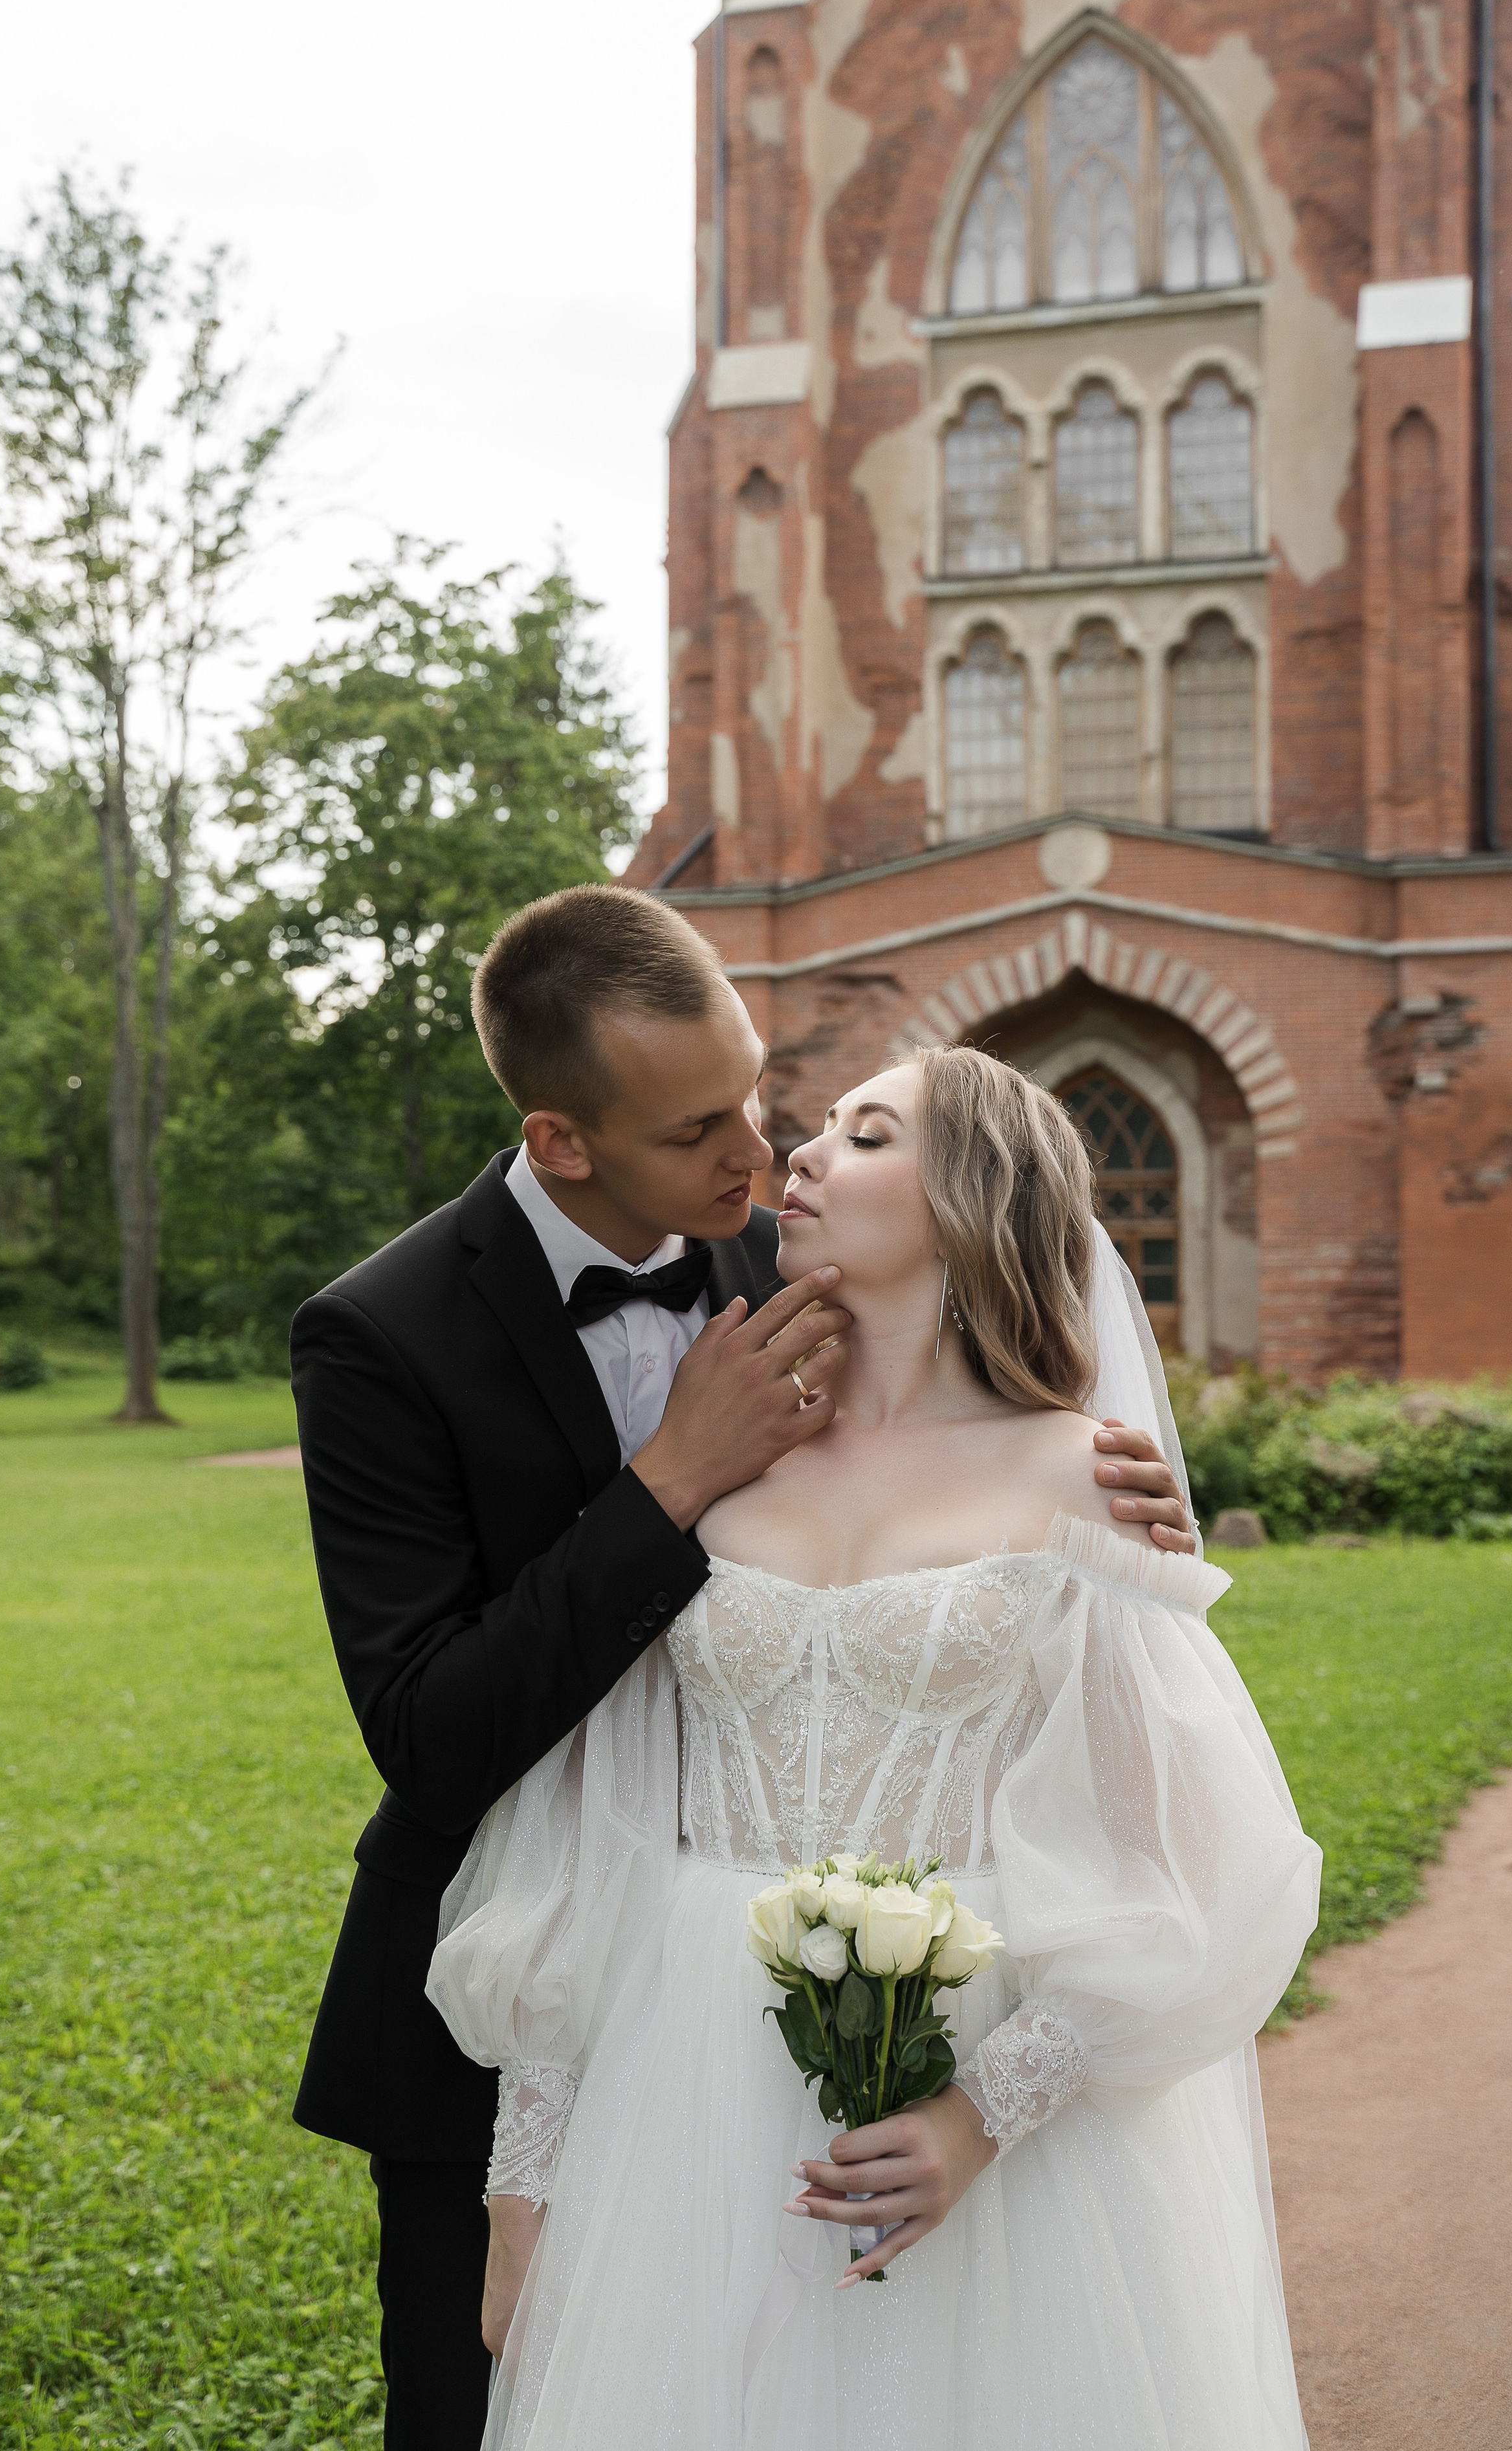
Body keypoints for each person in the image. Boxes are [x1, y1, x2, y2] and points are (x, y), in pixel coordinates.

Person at [289, 886, 1197, 2451]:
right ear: (561, 1139)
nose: (762, 1149)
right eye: (700, 1125)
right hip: (526, 2004)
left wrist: (1096, 1523)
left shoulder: (789, 1263)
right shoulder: (381, 1334)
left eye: (769, 1095)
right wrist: (663, 1486)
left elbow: (967, 1471)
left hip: (923, 2017)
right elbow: (435, 1739)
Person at [428, 1042, 1320, 2451]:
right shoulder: (714, 1453)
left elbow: (1194, 1861)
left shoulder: (1086, 1477)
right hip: (679, 2084)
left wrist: (980, 2111)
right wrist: (522, 2185)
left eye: (862, 1133)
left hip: (982, 2085)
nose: (797, 1156)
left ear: (973, 1195)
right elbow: (586, 1827)